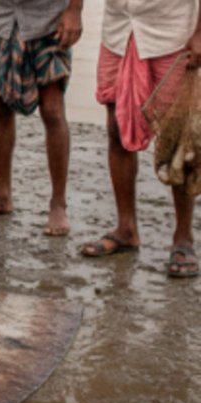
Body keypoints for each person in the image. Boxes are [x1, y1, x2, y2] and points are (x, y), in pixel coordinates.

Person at [79, 0, 201, 278]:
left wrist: (199, 33)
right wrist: (73, 10)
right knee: (116, 129)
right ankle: (126, 229)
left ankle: (183, 237)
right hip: (119, 30)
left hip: (172, 34)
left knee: (180, 140)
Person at [0, 0, 83, 236]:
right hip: (3, 16)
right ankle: (2, 195)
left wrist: (74, 9)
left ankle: (58, 203)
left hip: (49, 18)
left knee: (52, 110)